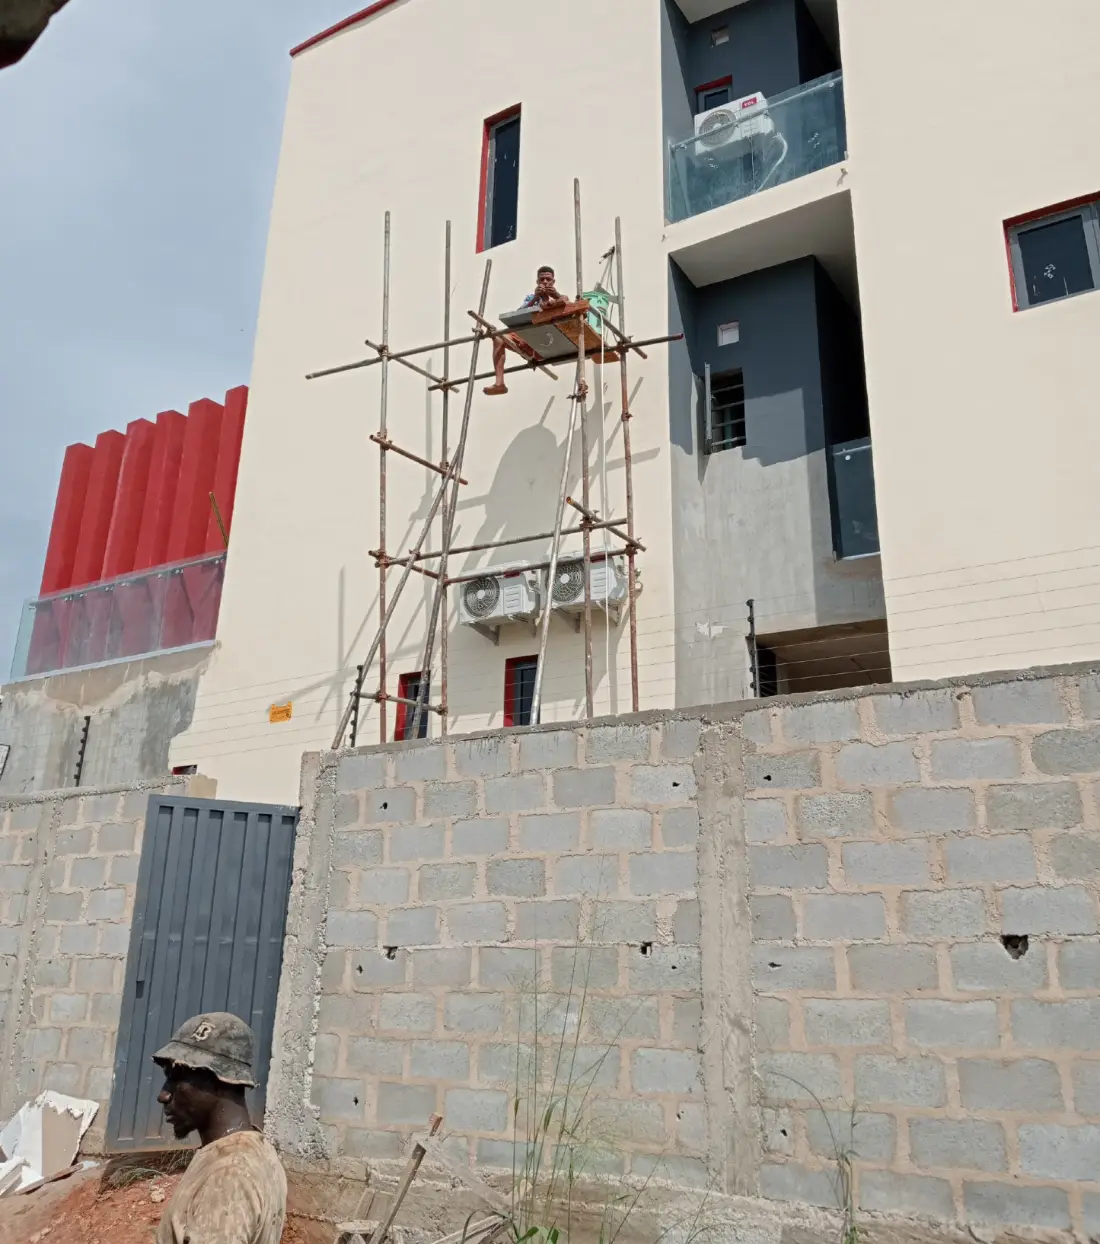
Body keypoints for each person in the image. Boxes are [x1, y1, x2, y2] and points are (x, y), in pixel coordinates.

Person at [153, 1012, 287, 1244]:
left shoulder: (229, 1176)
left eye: (175, 1078)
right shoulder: (254, 1151)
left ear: (218, 1080)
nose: (163, 1095)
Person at [483, 264, 567, 396]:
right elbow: (519, 315)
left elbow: (570, 308)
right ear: (537, 282)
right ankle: (500, 383)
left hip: (549, 342)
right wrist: (535, 298)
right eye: (542, 279)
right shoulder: (531, 298)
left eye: (548, 279)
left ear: (553, 281)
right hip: (529, 341)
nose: (545, 282)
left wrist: (555, 295)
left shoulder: (560, 298)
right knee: (499, 336)